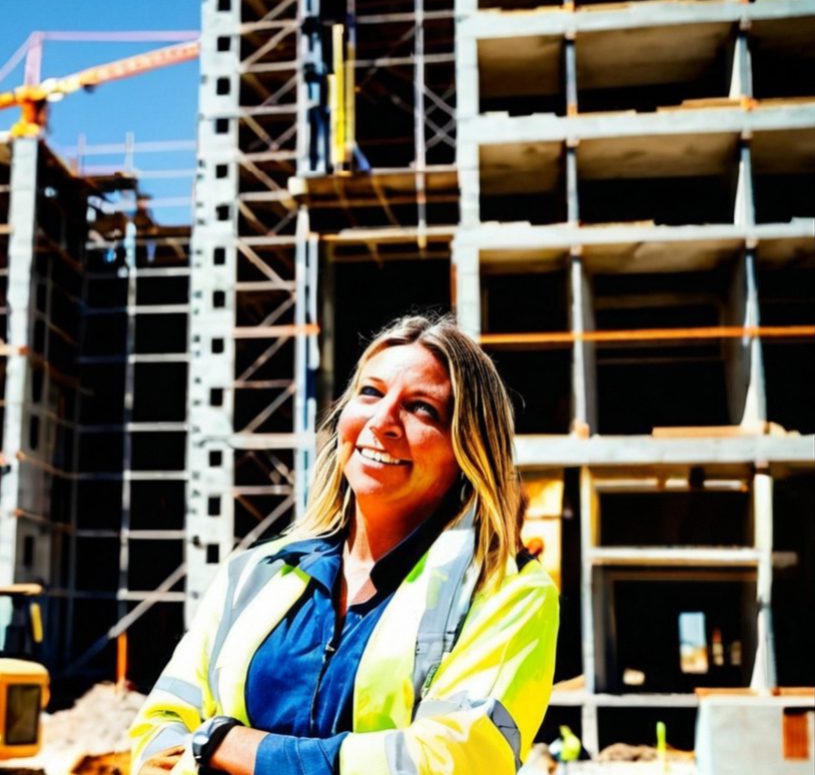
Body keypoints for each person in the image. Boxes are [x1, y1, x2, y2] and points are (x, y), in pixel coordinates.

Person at [130, 314, 559, 775]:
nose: (382, 420)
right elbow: (158, 729)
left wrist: (225, 744)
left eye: (422, 409)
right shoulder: (254, 574)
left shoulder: (508, 593)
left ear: (468, 449)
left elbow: (450, 761)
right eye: (370, 392)